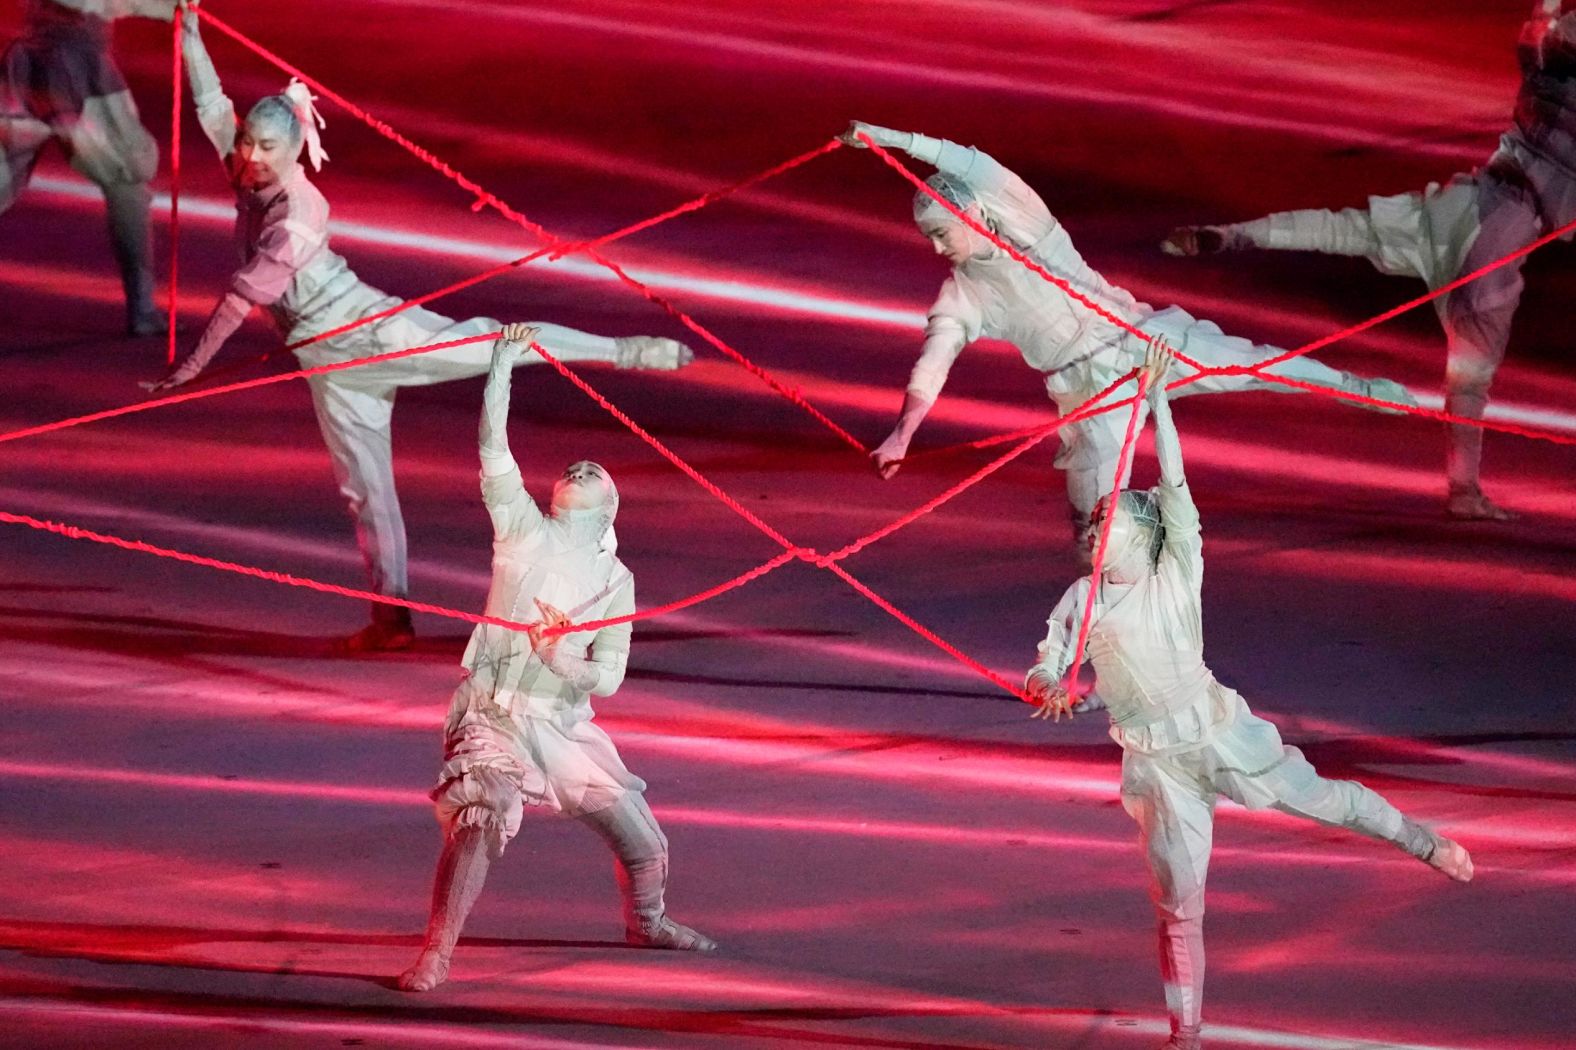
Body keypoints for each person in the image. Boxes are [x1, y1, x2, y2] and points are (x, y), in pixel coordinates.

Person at [150, 1, 693, 650]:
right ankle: (392, 620)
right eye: (247, 144)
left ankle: (626, 351)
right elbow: (211, 106)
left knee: (500, 341)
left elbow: (242, 295)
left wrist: (189, 368)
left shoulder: (300, 208)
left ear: (294, 151)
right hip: (328, 366)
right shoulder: (245, 171)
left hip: (371, 330)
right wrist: (189, 32)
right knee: (367, 493)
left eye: (267, 147)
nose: (251, 155)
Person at [1024, 338, 1473, 1050]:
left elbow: (1176, 492)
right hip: (1156, 765)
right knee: (1180, 908)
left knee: (1325, 800)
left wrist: (1160, 400)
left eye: (1110, 519)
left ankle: (1419, 840)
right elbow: (1049, 661)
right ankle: (1188, 1035)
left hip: (1217, 732)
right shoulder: (1083, 597)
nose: (1094, 525)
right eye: (1094, 518)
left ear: (1142, 540)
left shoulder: (1176, 576)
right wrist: (1048, 685)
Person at [838, 122, 1417, 544]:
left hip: (1140, 340)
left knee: (1254, 364)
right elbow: (933, 361)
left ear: (971, 217)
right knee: (1097, 529)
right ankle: (1091, 662)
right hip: (1088, 396)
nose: (938, 249)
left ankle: (1360, 388)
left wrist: (889, 139)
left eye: (942, 233)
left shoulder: (1028, 223)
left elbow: (973, 163)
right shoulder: (964, 292)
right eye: (930, 240)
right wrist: (902, 435)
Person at [398, 324, 716, 993]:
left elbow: (611, 674)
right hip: (495, 710)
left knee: (647, 845)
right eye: (573, 469)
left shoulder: (615, 579)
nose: (581, 467)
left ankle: (647, 920)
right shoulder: (521, 531)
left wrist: (562, 662)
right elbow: (493, 449)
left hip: (564, 723)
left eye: (593, 472)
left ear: (608, 512)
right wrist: (503, 365)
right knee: (481, 815)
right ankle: (438, 950)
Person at [1, 0, 173, 335]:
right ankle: (143, 309)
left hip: (32, 60)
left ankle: (143, 308)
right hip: (71, 62)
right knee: (126, 173)